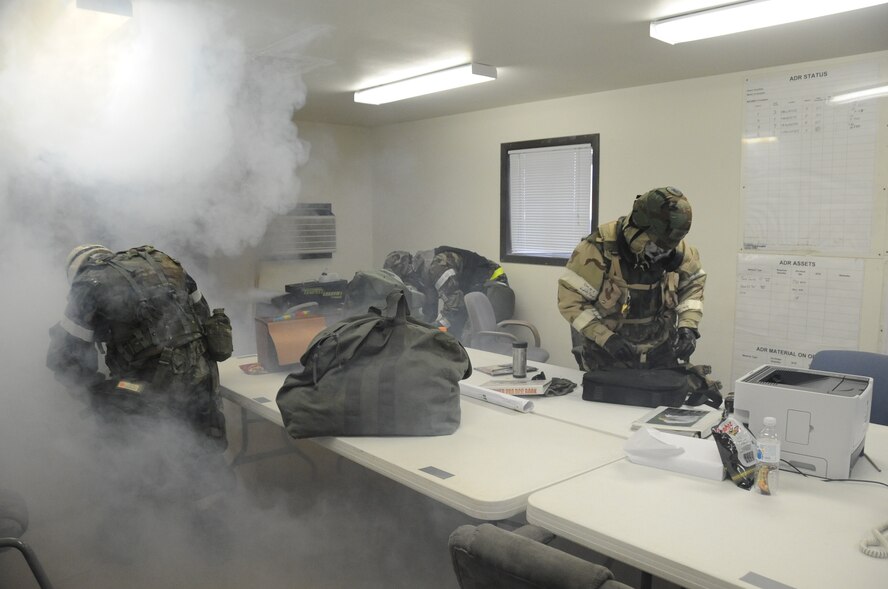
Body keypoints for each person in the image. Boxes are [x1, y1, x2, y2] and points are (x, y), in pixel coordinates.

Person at [47, 244, 232, 447]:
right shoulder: (164, 261)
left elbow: (64, 359)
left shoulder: (88, 282)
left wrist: (98, 392)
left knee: (138, 468)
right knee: (206, 465)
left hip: (144, 399)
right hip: (201, 386)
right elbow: (203, 315)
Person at [558, 187, 706, 371]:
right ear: (636, 229)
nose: (661, 253)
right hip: (609, 352)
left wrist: (688, 327)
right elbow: (570, 301)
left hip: (660, 350)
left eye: (667, 247)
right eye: (655, 245)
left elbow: (693, 285)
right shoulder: (596, 249)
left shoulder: (674, 247)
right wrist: (605, 337)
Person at [384, 245, 512, 338]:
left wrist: (434, 329)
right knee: (458, 333)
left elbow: (454, 306)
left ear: (408, 272)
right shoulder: (422, 274)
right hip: (475, 290)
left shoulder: (437, 267)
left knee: (472, 338)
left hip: (493, 286)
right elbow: (430, 307)